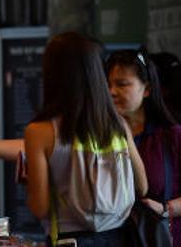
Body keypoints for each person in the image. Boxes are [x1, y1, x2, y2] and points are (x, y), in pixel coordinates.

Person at [24, 33, 147, 246]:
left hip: (70, 240)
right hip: (120, 237)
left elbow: (40, 207)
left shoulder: (39, 132)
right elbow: (142, 187)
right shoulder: (117, 123)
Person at [106, 49, 181, 245]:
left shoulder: (171, 136)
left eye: (122, 84)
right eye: (108, 85)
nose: (111, 91)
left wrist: (166, 208)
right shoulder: (100, 136)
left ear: (146, 89)